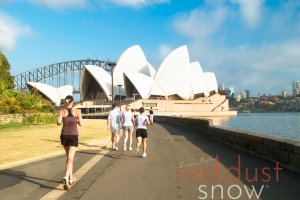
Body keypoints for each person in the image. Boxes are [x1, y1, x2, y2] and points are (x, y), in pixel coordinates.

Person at [57, 95, 83, 190]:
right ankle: (66, 176)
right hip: (73, 136)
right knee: (71, 158)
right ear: (72, 101)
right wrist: (76, 120)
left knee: (68, 158)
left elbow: (58, 122)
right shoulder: (77, 111)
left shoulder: (62, 111)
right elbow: (82, 123)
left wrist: (63, 119)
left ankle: (70, 178)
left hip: (64, 136)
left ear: (65, 102)